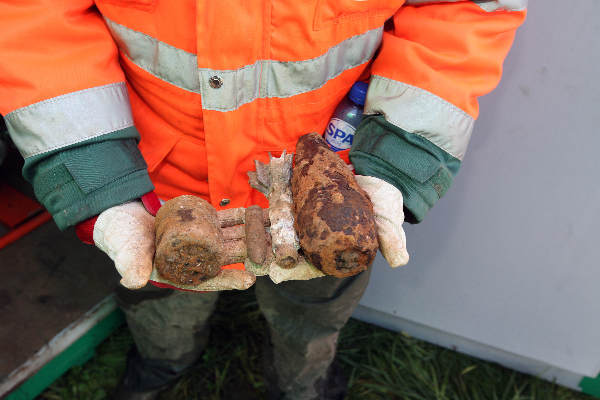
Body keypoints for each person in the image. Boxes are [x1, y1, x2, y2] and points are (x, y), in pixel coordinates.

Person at [0, 1, 526, 398]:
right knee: (157, 295)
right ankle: (164, 360)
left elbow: (465, 13)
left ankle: (304, 380)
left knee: (317, 305)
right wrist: (99, 181)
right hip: (161, 177)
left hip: (327, 182)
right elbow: (30, 22)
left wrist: (395, 162)